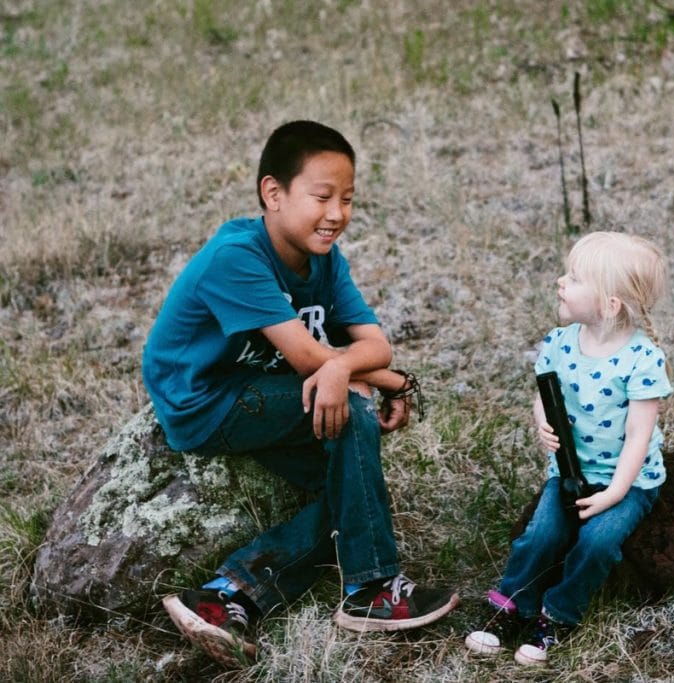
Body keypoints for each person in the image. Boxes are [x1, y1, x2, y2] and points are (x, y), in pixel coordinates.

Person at [142, 120, 458, 667]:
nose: (337, 213)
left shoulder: (326, 263)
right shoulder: (237, 257)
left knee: (350, 491)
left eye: (348, 199)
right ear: (273, 193)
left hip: (266, 392)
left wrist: (358, 368)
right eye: (322, 196)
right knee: (355, 406)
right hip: (208, 403)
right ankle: (373, 586)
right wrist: (380, 381)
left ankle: (228, 594)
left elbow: (375, 343)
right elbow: (315, 361)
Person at [464, 231, 672, 666]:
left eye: (574, 278)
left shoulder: (642, 359)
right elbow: (544, 392)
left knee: (598, 542)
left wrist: (616, 494)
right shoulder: (560, 343)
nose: (560, 281)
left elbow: (638, 435)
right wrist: (541, 419)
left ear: (610, 304)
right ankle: (512, 604)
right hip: (569, 470)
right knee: (542, 534)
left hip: (627, 481)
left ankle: (558, 613)